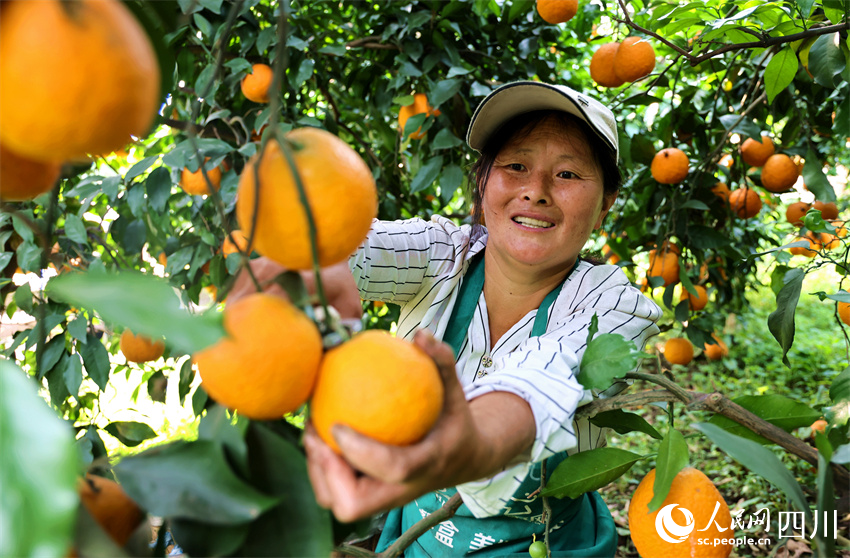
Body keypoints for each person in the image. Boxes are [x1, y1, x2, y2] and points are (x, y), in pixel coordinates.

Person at [232, 80, 662, 556]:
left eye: (567, 175)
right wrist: (308, 258)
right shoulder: (441, 255)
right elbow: (349, 245)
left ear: (605, 204)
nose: (535, 191)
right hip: (416, 538)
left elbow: (548, 377)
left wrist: (472, 441)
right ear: (482, 183)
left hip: (546, 544)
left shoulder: (614, 304)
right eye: (516, 166)